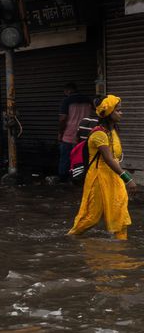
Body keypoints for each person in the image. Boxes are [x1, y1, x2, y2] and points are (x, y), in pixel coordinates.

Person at [68, 95, 137, 240]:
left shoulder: (113, 131)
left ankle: (121, 249)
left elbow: (115, 157)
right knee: (91, 217)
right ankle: (70, 237)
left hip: (114, 177)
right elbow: (108, 159)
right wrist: (127, 178)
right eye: (118, 110)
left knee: (120, 212)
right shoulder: (99, 134)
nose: (121, 113)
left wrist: (122, 174)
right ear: (109, 113)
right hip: (98, 179)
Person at [58, 83, 95, 181]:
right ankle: (80, 177)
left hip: (69, 134)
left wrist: (60, 133)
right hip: (85, 133)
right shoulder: (88, 100)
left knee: (66, 157)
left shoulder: (66, 101)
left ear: (68, 90)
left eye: (65, 91)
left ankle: (63, 178)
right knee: (82, 157)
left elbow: (63, 119)